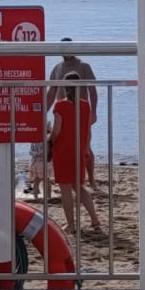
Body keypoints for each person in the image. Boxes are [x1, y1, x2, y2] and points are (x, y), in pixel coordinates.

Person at [47, 73, 103, 236]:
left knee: (65, 187)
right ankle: (94, 219)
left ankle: (71, 224)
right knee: (78, 186)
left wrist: (49, 140)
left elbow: (57, 130)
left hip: (63, 149)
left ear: (65, 87)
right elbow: (87, 130)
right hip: (78, 148)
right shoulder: (85, 106)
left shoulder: (60, 106)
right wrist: (86, 148)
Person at [50, 38, 97, 186]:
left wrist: (93, 112)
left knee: (85, 146)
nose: (67, 51)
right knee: (63, 145)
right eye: (64, 48)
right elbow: (52, 91)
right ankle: (69, 178)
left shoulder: (83, 66)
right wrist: (42, 110)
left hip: (81, 113)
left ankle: (90, 178)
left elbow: (92, 90)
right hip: (61, 113)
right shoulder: (57, 68)